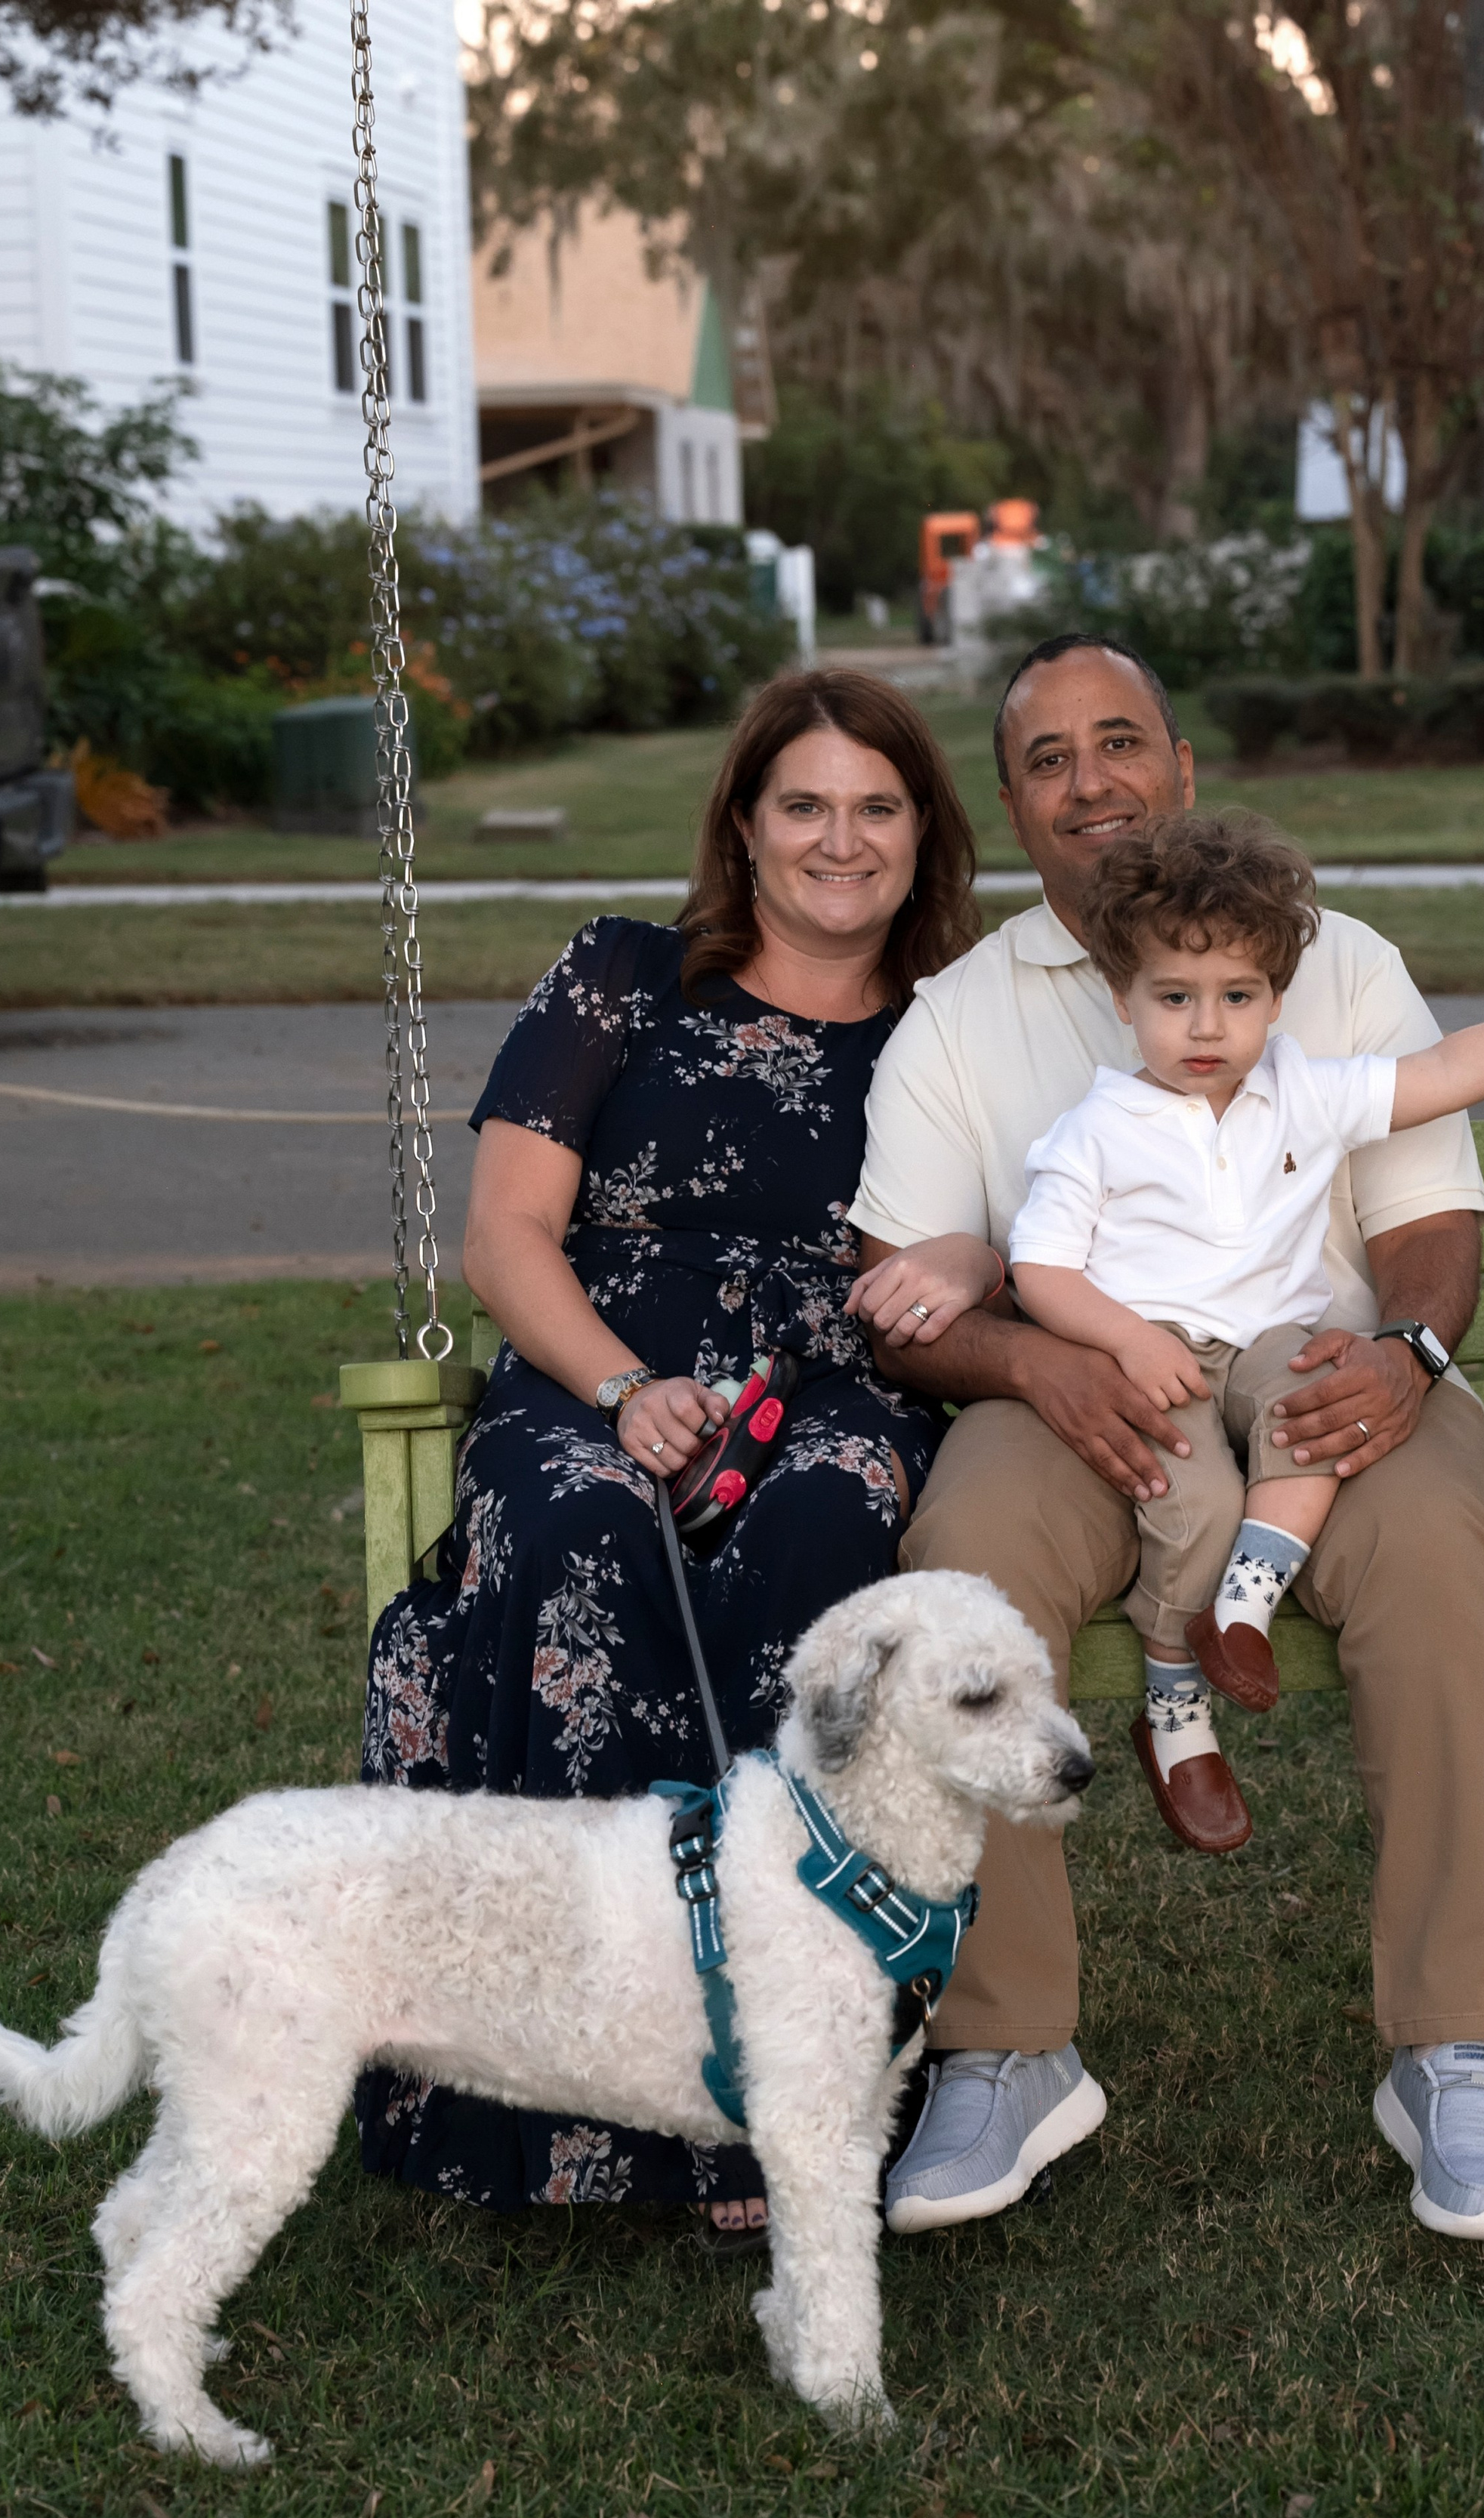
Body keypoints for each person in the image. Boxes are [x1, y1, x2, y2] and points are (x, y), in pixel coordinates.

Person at [849, 632, 1484, 2249]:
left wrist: (1409, 1352)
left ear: (1180, 772)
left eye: (1120, 743)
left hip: (1328, 1385)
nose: (1089, 779)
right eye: (1047, 758)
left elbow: (1431, 1211)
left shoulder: (1335, 961)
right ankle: (1008, 2047)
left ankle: (1452, 2045)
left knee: (1435, 1550)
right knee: (964, 1570)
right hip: (1075, 1398)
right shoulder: (960, 1017)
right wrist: (1039, 1368)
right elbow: (911, 1288)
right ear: (1014, 805)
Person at [356, 668, 994, 2245]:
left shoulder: (958, 1023)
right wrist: (625, 1382)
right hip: (595, 1367)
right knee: (582, 1540)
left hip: (833, 1387)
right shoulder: (624, 976)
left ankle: (787, 2094)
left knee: (823, 1550)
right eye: (803, 806)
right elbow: (506, 1238)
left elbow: (1037, 1219)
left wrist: (967, 1263)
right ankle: (579, 2086)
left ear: (923, 833)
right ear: (744, 824)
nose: (838, 841)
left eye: (875, 806)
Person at [1007, 805, 1484, 1822]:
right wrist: (1124, 1338)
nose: (1206, 1026)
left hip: (1267, 1344)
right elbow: (1039, 1269)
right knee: (1200, 1503)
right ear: (1123, 999)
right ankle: (1174, 1703)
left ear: (1275, 999)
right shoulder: (1098, 1130)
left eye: (1236, 996)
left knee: (1317, 1408)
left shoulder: (1299, 1091)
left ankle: (1242, 1614)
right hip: (1152, 1359)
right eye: (1174, 997)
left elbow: (1440, 1075)